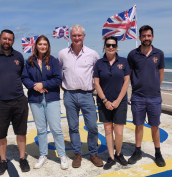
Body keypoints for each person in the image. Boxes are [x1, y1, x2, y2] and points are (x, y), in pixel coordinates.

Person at [0, 29, 30, 175]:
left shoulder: (19, 57)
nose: (7, 41)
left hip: (19, 100)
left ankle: (22, 158)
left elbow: (23, 76)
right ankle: (3, 161)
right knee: (0, 133)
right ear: (0, 39)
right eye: (5, 39)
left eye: (10, 39)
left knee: (21, 132)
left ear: (13, 41)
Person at [57, 24, 104, 168]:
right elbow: (58, 73)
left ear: (84, 36)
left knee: (92, 126)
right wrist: (64, 87)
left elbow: (99, 73)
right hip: (69, 95)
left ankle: (93, 153)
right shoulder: (62, 54)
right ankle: (77, 154)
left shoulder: (93, 54)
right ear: (70, 36)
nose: (76, 38)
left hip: (87, 95)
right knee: (73, 127)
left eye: (79, 35)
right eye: (74, 35)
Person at [21, 35, 68, 170]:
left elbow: (58, 79)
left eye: (45, 44)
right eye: (40, 44)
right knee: (41, 129)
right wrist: (35, 86)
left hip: (51, 98)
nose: (42, 46)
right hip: (35, 99)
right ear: (36, 45)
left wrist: (43, 84)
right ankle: (43, 155)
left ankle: (62, 155)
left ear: (48, 47)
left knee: (56, 128)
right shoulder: (29, 61)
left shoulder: (53, 61)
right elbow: (24, 77)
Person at [127, 25, 166, 167]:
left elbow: (160, 74)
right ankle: (137, 151)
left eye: (149, 36)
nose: (146, 38)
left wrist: (155, 88)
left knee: (155, 126)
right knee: (138, 125)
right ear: (140, 37)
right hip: (137, 96)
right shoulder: (132, 54)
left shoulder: (159, 54)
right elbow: (129, 74)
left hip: (154, 97)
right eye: (143, 36)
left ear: (152, 37)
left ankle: (158, 153)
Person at [93, 36, 130, 170]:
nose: (111, 47)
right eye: (108, 45)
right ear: (104, 46)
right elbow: (96, 83)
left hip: (120, 101)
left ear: (117, 47)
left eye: (113, 45)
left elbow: (126, 82)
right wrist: (105, 101)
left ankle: (119, 153)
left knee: (119, 132)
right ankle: (111, 157)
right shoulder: (99, 63)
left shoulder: (124, 61)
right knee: (108, 130)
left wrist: (118, 100)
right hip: (104, 102)